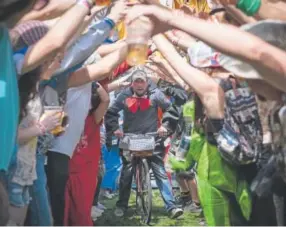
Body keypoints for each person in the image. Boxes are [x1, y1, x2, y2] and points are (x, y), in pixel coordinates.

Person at [105, 67, 183, 219]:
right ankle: (122, 205)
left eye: (142, 82)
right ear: (132, 84)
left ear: (147, 83)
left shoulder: (156, 95)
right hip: (129, 138)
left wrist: (165, 126)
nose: (139, 85)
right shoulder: (124, 95)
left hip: (152, 137)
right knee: (127, 172)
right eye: (136, 82)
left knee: (159, 170)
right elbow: (111, 113)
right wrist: (115, 129)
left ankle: (171, 206)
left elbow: (171, 109)